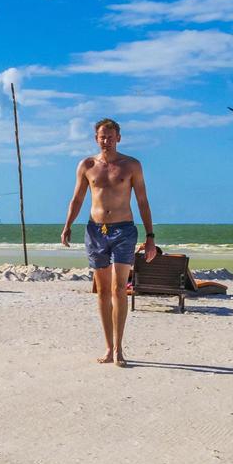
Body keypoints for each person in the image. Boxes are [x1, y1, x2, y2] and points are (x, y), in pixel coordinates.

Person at [60, 118, 158, 367]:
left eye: (111, 136)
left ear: (119, 138)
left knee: (118, 289)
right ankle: (108, 346)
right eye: (102, 136)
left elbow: (143, 201)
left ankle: (119, 349)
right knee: (102, 291)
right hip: (95, 231)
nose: (107, 140)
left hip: (124, 231)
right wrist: (67, 226)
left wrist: (150, 237)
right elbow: (77, 199)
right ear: (96, 138)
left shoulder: (132, 165)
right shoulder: (87, 165)